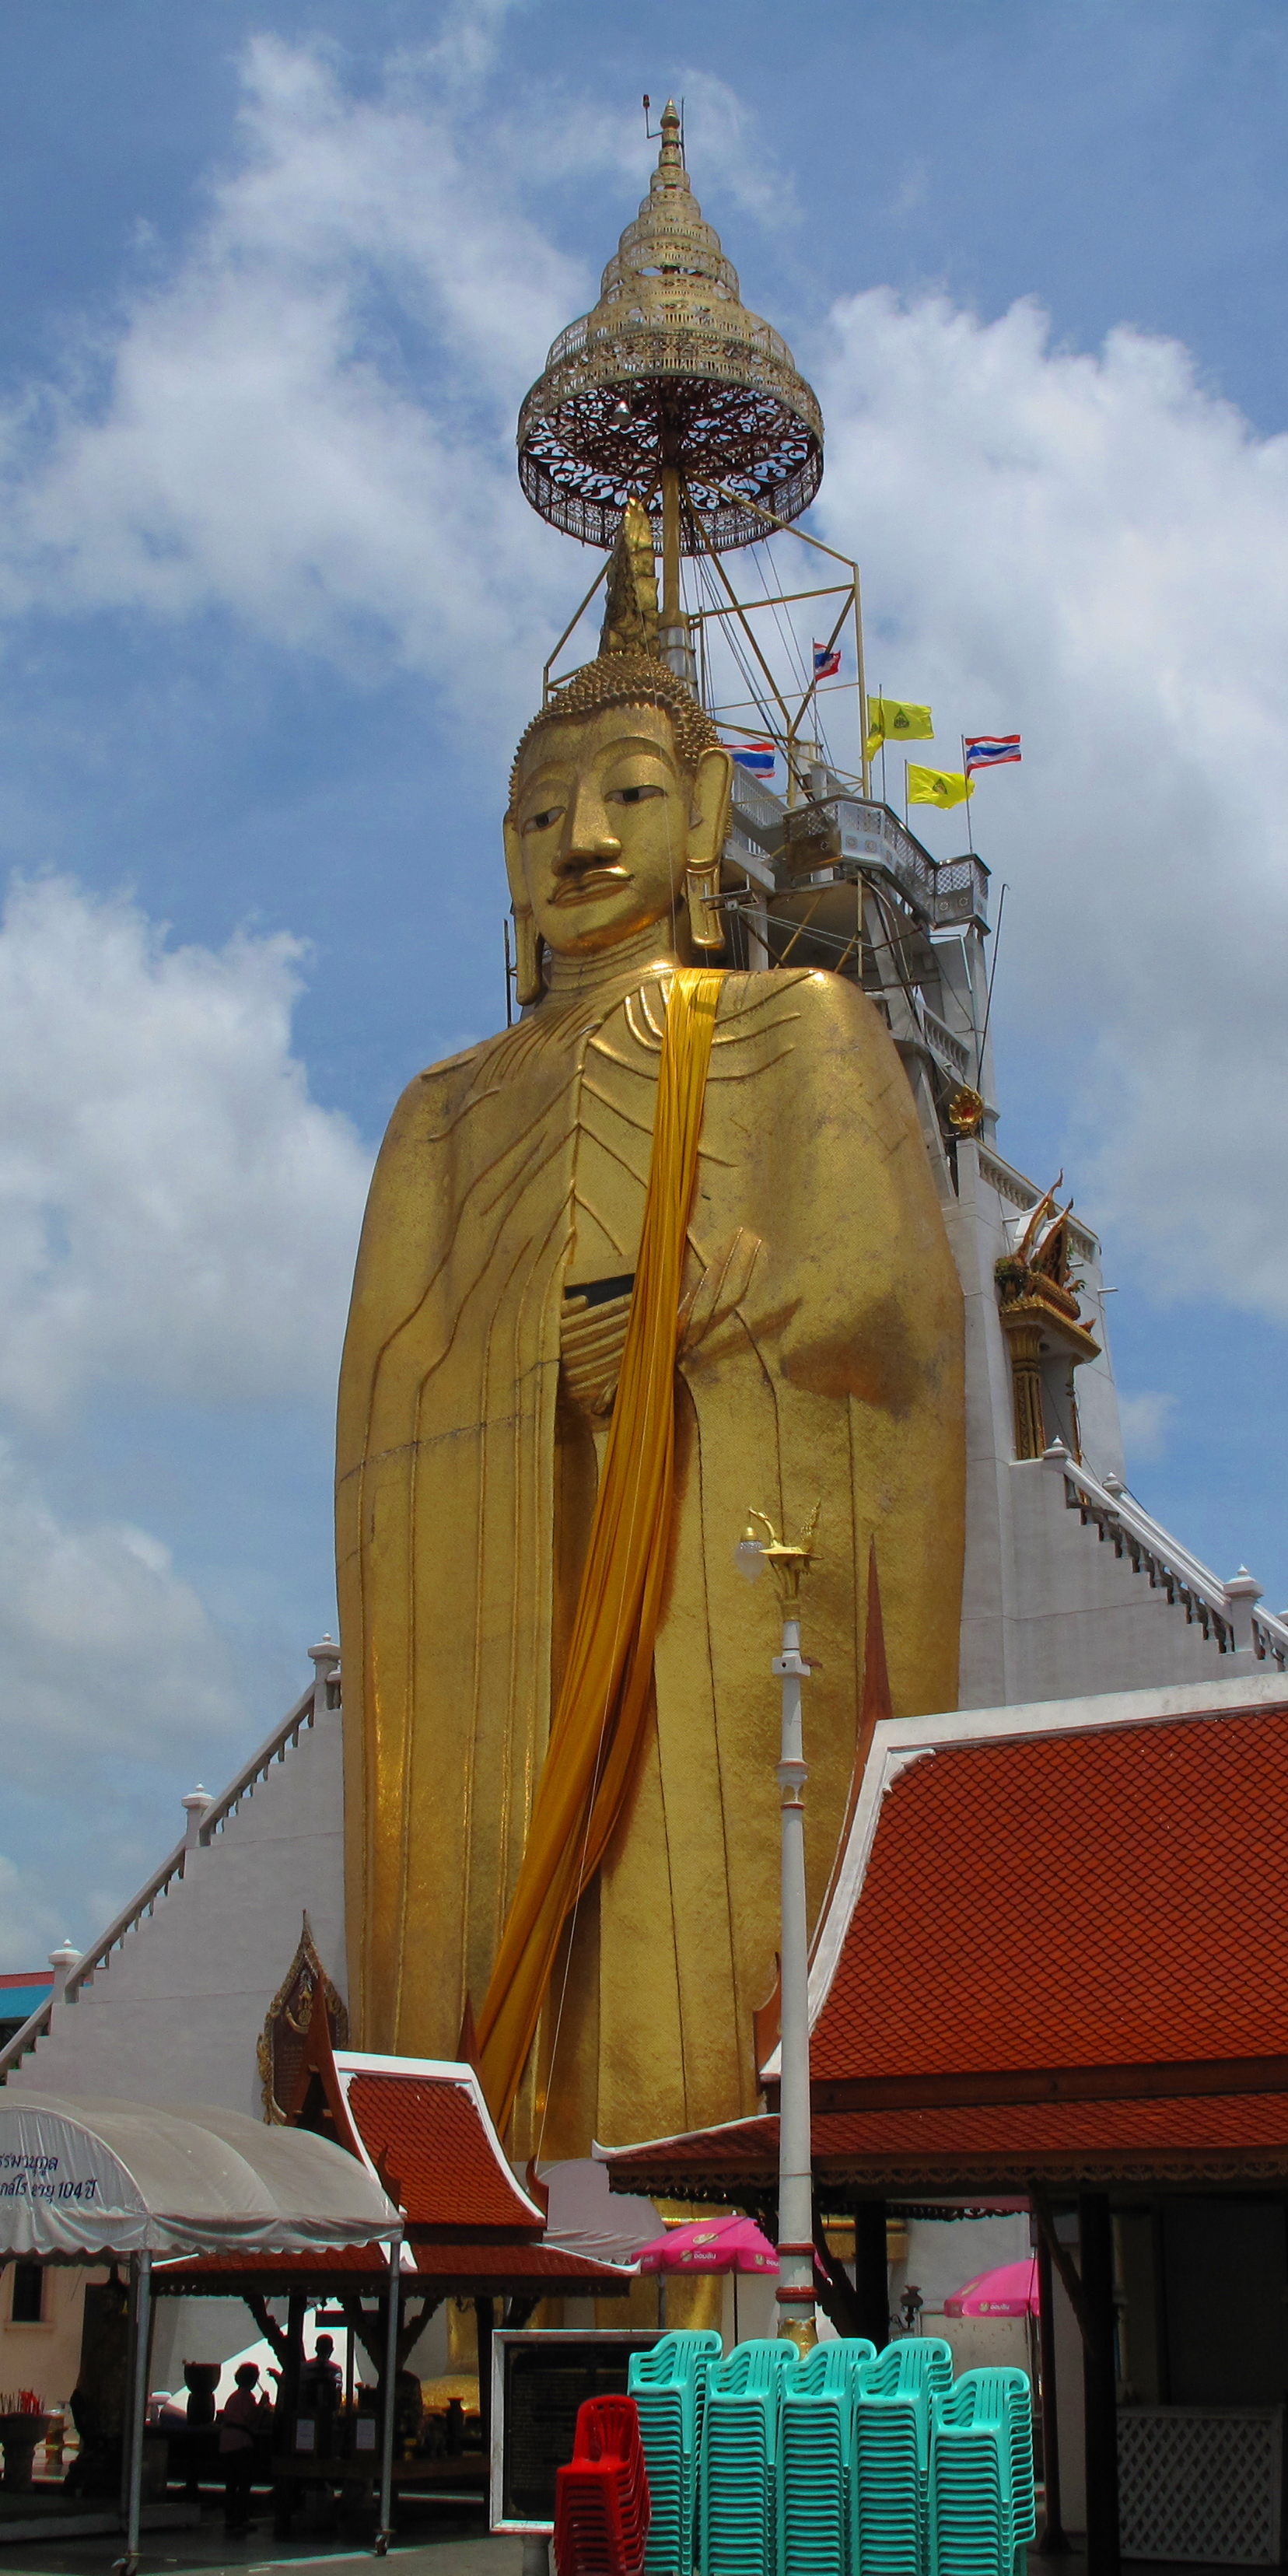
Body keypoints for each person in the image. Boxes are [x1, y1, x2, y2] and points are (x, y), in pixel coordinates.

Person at [338, 510, 965, 2155]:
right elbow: (383, 1392)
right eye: (543, 812)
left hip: (705, 1585)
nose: (581, 837)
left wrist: (697, 1333)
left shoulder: (791, 1025)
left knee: (690, 1946)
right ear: (502, 849)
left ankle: (720, 2243)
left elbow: (883, 1307)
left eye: (626, 792)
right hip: (507, 1594)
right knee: (504, 1948)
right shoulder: (437, 1111)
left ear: (702, 818)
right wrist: (531, 1371)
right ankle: (491, 2242)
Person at [219, 2362, 270, 2534]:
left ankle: (230, 2518)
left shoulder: (234, 2397)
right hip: (241, 2442)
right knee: (244, 2482)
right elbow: (250, 2419)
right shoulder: (247, 2398)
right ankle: (240, 2517)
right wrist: (262, 2405)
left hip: (227, 2442)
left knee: (231, 2483)